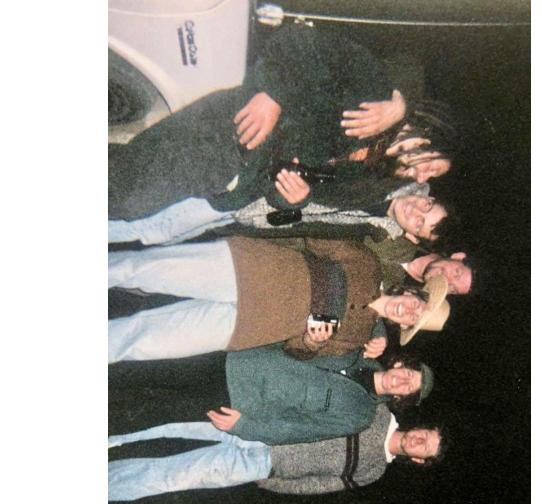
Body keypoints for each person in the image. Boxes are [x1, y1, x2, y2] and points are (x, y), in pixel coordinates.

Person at [109, 23, 458, 222]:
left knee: (124, 187)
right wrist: (273, 93)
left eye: (430, 178)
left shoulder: (369, 180)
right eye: (433, 167)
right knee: (128, 198)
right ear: (426, 135)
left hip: (231, 182)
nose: (422, 179)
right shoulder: (376, 93)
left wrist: (296, 198)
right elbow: (301, 41)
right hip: (227, 131)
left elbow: (286, 197)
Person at [108, 238, 451, 363]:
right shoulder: (368, 264)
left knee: (143, 342)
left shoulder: (358, 337)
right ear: (410, 291)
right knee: (142, 270)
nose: (410, 311)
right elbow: (315, 236)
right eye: (417, 304)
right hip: (246, 268)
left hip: (244, 328)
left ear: (402, 325)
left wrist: (312, 342)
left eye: (413, 319)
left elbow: (296, 352)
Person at [108, 400, 444, 501]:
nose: (420, 441)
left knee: (172, 478)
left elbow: (320, 485)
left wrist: (273, 483)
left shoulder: (374, 470)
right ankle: (110, 438)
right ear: (421, 427)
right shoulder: (377, 412)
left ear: (418, 459)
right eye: (426, 435)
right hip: (258, 424)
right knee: (173, 424)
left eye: (425, 448)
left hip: (262, 466)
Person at [106, 183, 451, 247]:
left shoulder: (374, 229)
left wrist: (261, 221)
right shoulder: (383, 173)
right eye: (427, 207)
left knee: (166, 232)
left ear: (413, 236)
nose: (416, 211)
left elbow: (308, 221)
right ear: (428, 195)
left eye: (421, 224)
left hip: (248, 215)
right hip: (248, 189)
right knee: (156, 227)